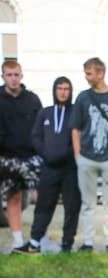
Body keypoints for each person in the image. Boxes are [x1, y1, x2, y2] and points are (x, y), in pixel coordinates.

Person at [70, 57, 108, 253]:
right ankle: (87, 242)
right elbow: (75, 128)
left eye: (89, 73)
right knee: (87, 202)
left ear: (100, 73)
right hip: (87, 157)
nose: (86, 77)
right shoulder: (82, 98)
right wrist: (78, 155)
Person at [15, 77, 80, 254]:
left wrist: (64, 155)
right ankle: (35, 241)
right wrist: (46, 153)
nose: (63, 92)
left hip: (70, 168)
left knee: (71, 206)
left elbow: (78, 139)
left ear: (70, 91)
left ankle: (67, 243)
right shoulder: (45, 113)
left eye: (66, 88)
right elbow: (35, 136)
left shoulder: (75, 112)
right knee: (44, 204)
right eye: (59, 88)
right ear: (54, 90)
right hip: (49, 167)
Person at [0, 60, 42, 253]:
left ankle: (38, 238)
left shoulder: (32, 99)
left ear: (21, 76)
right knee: (13, 198)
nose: (13, 79)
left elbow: (41, 126)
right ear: (3, 77)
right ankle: (17, 241)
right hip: (7, 156)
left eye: (16, 75)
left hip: (31, 156)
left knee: (41, 196)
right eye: (9, 75)